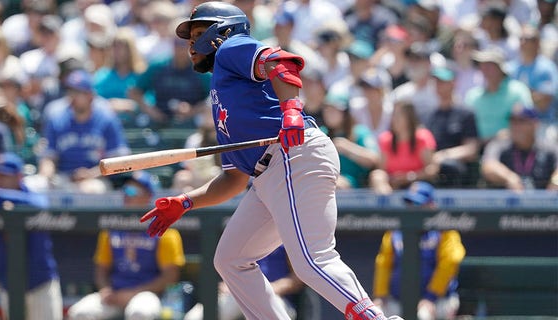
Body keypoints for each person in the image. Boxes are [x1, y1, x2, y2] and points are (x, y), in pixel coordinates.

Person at [139, 2, 402, 320]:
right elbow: (234, 180)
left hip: (292, 155)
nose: (190, 43)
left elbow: (280, 61)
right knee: (231, 258)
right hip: (270, 172)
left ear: (221, 31)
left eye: (197, 33)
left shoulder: (230, 47)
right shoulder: (224, 93)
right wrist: (185, 201)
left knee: (311, 259)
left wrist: (291, 107)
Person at [0, 152, 63, 320]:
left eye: (5, 176)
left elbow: (42, 204)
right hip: (10, 285)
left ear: (19, 177)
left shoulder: (29, 197)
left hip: (40, 285)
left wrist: (1, 195)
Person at [373, 181, 466, 320]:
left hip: (437, 300)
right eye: (409, 203)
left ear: (431, 206)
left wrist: (430, 297)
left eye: (418, 204)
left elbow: (450, 261)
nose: (412, 208)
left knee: (422, 316)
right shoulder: (395, 231)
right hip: (397, 300)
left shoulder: (444, 230)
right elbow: (384, 263)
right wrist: (380, 295)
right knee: (373, 314)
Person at [36, 69, 129, 194]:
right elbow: (49, 157)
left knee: (89, 189)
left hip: (96, 178)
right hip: (63, 177)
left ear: (90, 96)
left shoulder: (106, 119)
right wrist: (46, 177)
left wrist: (91, 174)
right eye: (70, 91)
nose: (73, 97)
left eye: (78, 92)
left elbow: (117, 161)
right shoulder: (57, 118)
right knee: (36, 186)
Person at [66, 227, 186, 320]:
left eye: (139, 194)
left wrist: (133, 293)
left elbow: (170, 276)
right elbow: (101, 270)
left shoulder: (164, 228)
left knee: (140, 313)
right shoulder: (112, 226)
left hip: (147, 293)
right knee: (81, 312)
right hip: (114, 293)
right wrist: (105, 289)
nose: (131, 198)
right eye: (129, 194)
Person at [183, 246, 305, 320]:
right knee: (194, 317)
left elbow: (298, 278)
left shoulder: (284, 235)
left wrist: (266, 289)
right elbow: (229, 267)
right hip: (239, 293)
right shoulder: (244, 236)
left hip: (276, 297)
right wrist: (228, 284)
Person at [425, 66, 480, 188]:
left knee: (449, 166)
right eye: (437, 82)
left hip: (457, 171)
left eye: (443, 82)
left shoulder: (465, 113)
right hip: (431, 168)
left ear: (454, 83)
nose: (439, 85)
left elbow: (471, 149)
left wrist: (443, 156)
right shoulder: (429, 115)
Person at [481, 105, 558, 191]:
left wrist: (555, 183)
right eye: (513, 121)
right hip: (508, 201)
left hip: (544, 201)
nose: (516, 126)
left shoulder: (548, 146)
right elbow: (488, 166)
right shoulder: (499, 145)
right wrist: (510, 178)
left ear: (535, 124)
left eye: (521, 121)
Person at [369, 101, 437, 194]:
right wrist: (394, 180)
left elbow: (432, 169)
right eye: (393, 115)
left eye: (398, 115)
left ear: (409, 118)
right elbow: (382, 169)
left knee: (416, 188)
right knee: (377, 175)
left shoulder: (422, 137)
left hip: (417, 182)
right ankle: (386, 201)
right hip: (392, 184)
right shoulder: (385, 139)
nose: (394, 119)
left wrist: (410, 177)